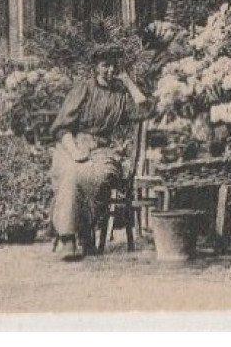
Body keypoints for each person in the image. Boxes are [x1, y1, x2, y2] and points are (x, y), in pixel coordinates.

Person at [48, 46, 153, 261]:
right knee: (71, 172)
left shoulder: (120, 95)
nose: (110, 70)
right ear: (96, 67)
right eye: (105, 65)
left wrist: (128, 82)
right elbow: (61, 127)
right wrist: (75, 150)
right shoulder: (83, 89)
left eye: (114, 65)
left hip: (103, 150)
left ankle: (86, 233)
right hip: (72, 144)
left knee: (97, 175)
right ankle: (70, 237)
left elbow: (146, 110)